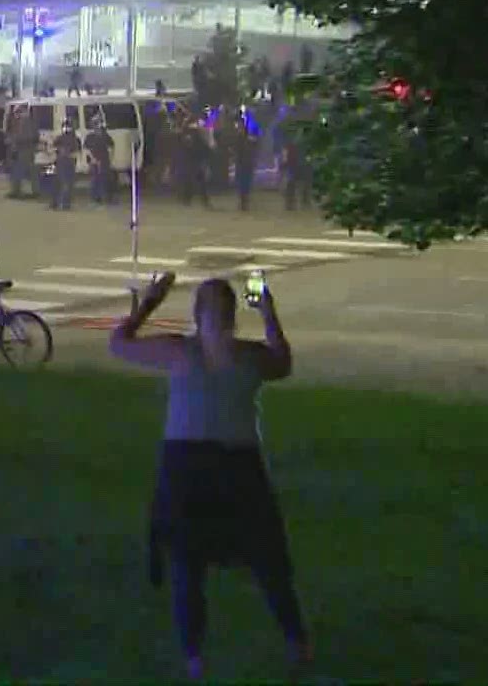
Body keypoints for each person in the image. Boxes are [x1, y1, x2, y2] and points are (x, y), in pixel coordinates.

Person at [108, 274, 308, 681]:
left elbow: (118, 343)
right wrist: (269, 311)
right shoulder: (249, 357)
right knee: (268, 561)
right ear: (234, 314)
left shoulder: (180, 353)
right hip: (238, 465)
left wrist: (148, 303)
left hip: (187, 465)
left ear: (196, 313)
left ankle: (195, 659)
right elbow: (283, 362)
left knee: (187, 563)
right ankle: (296, 643)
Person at [84, 117, 117, 206]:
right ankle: (96, 199)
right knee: (95, 180)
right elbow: (87, 149)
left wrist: (109, 160)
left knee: (105, 180)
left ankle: (106, 198)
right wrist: (92, 159)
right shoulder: (90, 137)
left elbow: (111, 149)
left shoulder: (106, 136)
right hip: (94, 162)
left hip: (104, 161)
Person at [52, 120, 79, 211]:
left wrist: (62, 152)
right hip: (65, 162)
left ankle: (60, 203)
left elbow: (54, 148)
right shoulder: (72, 138)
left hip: (65, 162)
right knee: (65, 184)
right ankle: (61, 204)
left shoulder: (70, 138)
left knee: (63, 184)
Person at [232, 120, 259, 211]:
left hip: (245, 163)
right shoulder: (245, 138)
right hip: (244, 163)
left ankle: (244, 200)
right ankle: (243, 200)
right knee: (244, 182)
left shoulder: (243, 138)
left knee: (244, 182)